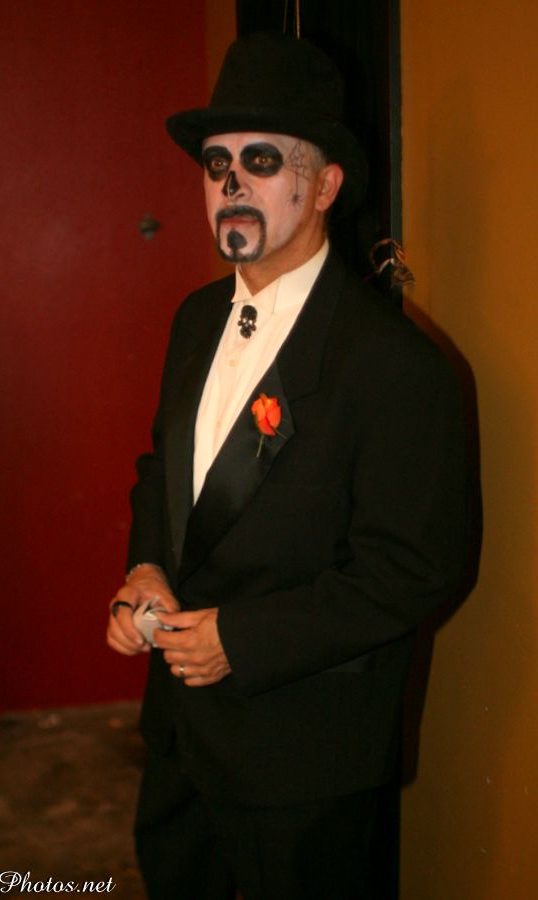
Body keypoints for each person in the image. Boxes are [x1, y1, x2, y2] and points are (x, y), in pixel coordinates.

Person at [106, 32, 467, 900]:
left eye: (261, 161)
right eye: (215, 164)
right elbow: (164, 474)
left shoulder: (396, 366)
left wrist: (242, 640)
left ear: (326, 185)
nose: (230, 183)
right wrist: (145, 567)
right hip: (180, 742)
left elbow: (416, 568)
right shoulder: (195, 319)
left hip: (305, 762)